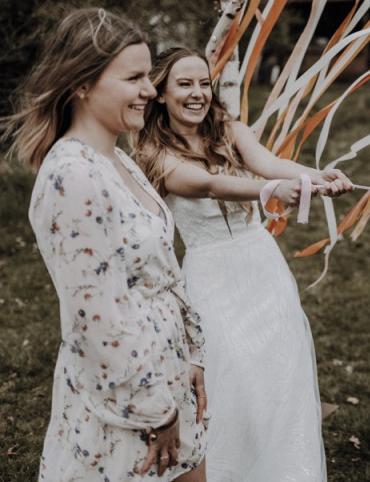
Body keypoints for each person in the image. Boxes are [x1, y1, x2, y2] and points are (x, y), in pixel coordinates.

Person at [132, 47, 352, 481]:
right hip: (210, 275)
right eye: (184, 84)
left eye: (204, 83)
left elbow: (268, 163)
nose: (198, 93)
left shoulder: (228, 128)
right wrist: (269, 190)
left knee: (279, 371)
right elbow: (206, 184)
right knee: (229, 374)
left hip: (262, 265)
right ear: (160, 93)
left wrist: (316, 176)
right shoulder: (153, 152)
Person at [5, 9, 208, 480]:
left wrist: (192, 354)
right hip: (127, 402)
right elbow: (96, 320)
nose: (151, 91)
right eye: (134, 78)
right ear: (82, 83)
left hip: (167, 374)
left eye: (148, 76)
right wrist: (156, 411)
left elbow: (164, 271)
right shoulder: (72, 175)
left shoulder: (119, 157)